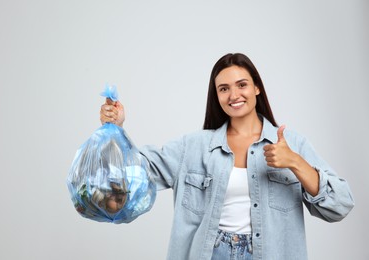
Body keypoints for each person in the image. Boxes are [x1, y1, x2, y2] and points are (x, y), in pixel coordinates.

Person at [99, 53, 354, 260]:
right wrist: (117, 130)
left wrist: (295, 163)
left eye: (241, 85)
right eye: (224, 89)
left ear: (256, 88)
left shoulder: (290, 144)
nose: (233, 95)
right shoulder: (194, 147)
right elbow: (139, 172)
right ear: (217, 96)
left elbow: (340, 205)